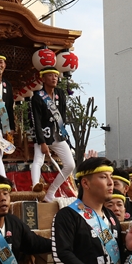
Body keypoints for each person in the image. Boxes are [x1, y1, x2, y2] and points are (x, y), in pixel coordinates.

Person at [29, 68, 76, 202]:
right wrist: (42, 142)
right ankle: (36, 188)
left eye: (56, 76)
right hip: (43, 136)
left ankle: (50, 193)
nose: (54, 78)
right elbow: (36, 122)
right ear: (43, 79)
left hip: (58, 135)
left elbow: (62, 115)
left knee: (70, 165)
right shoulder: (37, 97)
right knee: (38, 161)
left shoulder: (60, 93)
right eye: (50, 75)